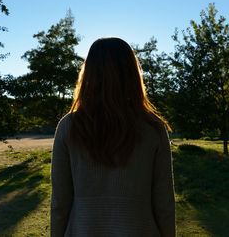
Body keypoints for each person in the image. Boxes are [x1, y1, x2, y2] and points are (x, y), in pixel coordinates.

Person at [50, 37, 176, 237]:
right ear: (132, 74)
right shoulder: (153, 128)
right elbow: (165, 206)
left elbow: (59, 205)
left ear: (89, 73)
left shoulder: (68, 126)